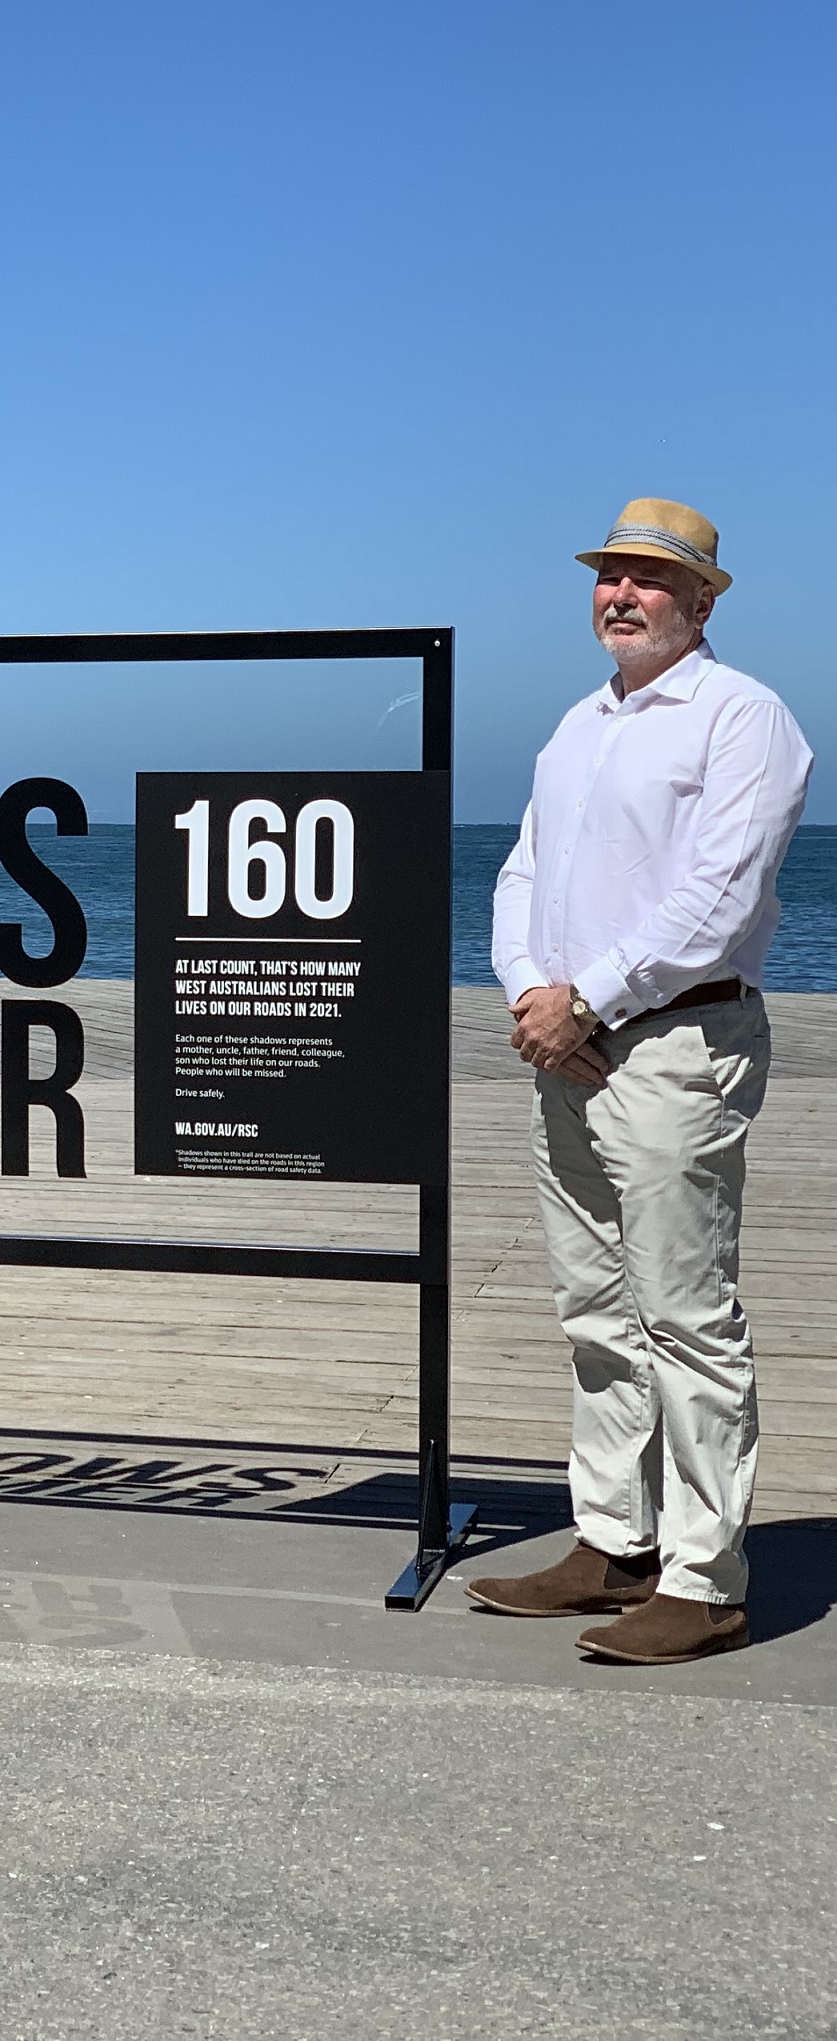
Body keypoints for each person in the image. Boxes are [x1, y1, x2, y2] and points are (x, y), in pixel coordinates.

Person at [470, 499, 811, 1663]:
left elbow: (719, 896)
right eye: (610, 574)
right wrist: (533, 992)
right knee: (596, 1311)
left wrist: (589, 999)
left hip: (673, 1046)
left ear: (703, 601)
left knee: (686, 1315)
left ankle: (706, 1580)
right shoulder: (578, 725)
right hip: (569, 1047)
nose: (622, 593)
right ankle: (615, 1543)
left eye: (650, 578)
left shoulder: (743, 718)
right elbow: (523, 873)